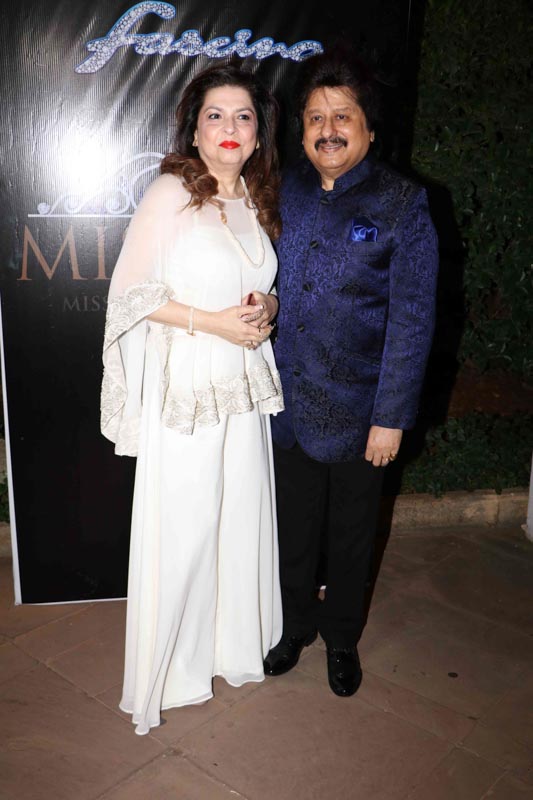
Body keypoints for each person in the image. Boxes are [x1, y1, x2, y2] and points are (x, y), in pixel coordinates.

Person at [101, 63, 284, 735]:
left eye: (243, 116)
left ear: (258, 132)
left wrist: (266, 307)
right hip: (187, 387)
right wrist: (213, 323)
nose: (230, 127)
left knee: (237, 519)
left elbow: (261, 284)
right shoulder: (170, 192)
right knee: (184, 527)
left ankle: (228, 648)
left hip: (241, 386)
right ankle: (170, 671)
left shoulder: (254, 197)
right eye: (215, 115)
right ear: (195, 129)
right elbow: (131, 295)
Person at [262, 50, 439, 696]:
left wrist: (390, 417)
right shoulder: (282, 190)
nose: (328, 129)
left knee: (351, 537)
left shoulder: (402, 203)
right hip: (286, 404)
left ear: (367, 127)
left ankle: (340, 637)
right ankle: (293, 628)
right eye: (315, 117)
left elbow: (412, 319)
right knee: (291, 531)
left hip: (362, 414)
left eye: (342, 116)